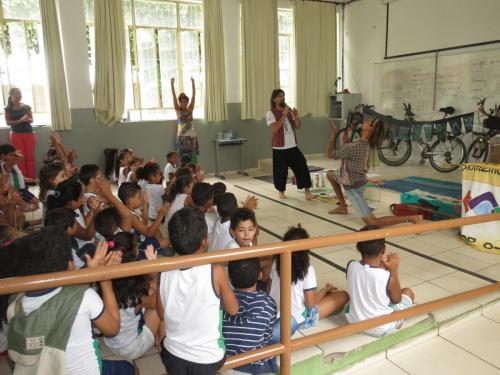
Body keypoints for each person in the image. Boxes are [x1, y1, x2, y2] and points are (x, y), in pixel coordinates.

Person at [1, 228, 136, 375]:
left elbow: (65, 297)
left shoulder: (16, 300)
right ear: (69, 265)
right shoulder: (86, 297)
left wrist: (91, 273)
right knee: (130, 368)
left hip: (42, 369)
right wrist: (106, 281)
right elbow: (113, 328)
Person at [157, 207, 239, 375]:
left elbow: (160, 313)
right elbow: (233, 309)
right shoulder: (215, 271)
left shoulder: (162, 272)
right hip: (208, 359)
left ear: (171, 242)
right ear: (205, 242)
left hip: (172, 356)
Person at [326, 118, 423, 227]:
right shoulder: (367, 143)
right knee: (330, 174)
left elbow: (329, 154)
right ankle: (343, 206)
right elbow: (354, 152)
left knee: (372, 222)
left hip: (353, 187)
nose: (365, 122)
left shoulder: (353, 146)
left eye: (368, 123)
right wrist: (347, 143)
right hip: (359, 180)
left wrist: (333, 134)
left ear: (370, 129)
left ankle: (412, 218)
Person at [269, 225, 348, 342]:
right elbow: (310, 304)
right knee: (343, 295)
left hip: (273, 315)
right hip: (296, 320)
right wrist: (324, 291)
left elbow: (270, 287)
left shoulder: (277, 262)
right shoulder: (307, 269)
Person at [345, 225, 416, 337]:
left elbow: (367, 276)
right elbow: (396, 299)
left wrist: (383, 269)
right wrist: (393, 270)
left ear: (358, 248)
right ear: (383, 249)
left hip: (354, 322)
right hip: (382, 328)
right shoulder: (387, 276)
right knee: (408, 292)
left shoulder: (351, 265)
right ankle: (397, 322)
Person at [103, 232, 160, 360]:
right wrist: (154, 267)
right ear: (135, 252)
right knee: (160, 303)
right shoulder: (135, 286)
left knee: (150, 290)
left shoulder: (102, 277)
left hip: (110, 343)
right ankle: (161, 341)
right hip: (130, 348)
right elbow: (159, 302)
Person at [222, 258, 278, 374]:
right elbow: (266, 337)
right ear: (259, 275)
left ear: (230, 278)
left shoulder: (221, 302)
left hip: (224, 363)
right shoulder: (268, 304)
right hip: (252, 366)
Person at [267, 89, 314, 201]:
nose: (282, 98)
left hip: (292, 146)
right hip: (279, 148)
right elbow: (274, 128)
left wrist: (297, 116)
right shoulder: (271, 113)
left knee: (302, 167)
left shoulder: (289, 111)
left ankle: (307, 192)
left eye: (283, 96)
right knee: (280, 171)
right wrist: (283, 116)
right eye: (279, 96)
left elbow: (297, 126)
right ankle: (281, 191)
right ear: (274, 99)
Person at [3, 88, 36, 179]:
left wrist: (28, 120)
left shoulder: (26, 107)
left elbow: (31, 120)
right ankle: (23, 178)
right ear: (11, 95)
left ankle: (31, 178)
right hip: (15, 135)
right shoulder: (8, 109)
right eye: (17, 94)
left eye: (20, 94)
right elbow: (8, 122)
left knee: (30, 157)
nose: (19, 96)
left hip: (29, 134)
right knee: (18, 157)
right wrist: (19, 120)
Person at [171, 77, 199, 165]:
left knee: (193, 160)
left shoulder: (190, 109)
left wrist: (193, 83)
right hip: (181, 138)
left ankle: (193, 176)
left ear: (187, 102)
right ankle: (182, 176)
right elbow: (174, 98)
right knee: (181, 159)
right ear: (179, 102)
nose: (184, 103)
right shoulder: (178, 110)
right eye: (181, 102)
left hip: (191, 137)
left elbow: (194, 96)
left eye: (185, 101)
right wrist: (172, 85)